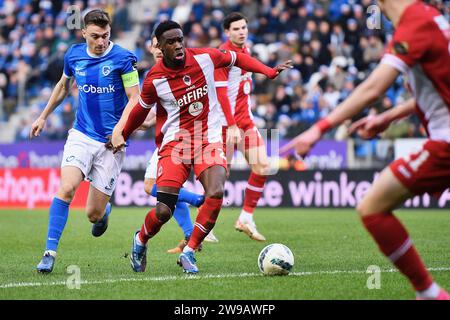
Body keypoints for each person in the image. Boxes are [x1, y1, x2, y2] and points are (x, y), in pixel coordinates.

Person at [281, 0, 450, 299]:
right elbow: (435, 89)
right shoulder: (430, 19)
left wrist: (318, 129)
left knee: (372, 207)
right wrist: (387, 116)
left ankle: (429, 293)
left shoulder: (416, 24)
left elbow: (373, 88)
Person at [111, 20, 292, 274]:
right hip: (176, 144)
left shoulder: (205, 57)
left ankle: (189, 252)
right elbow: (141, 111)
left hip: (208, 138)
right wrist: (123, 134)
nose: (178, 45)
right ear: (160, 47)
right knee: (163, 210)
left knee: (216, 192)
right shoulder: (154, 79)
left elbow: (237, 59)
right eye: (171, 42)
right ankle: (140, 239)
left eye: (180, 40)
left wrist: (268, 71)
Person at [30, 9, 140, 273]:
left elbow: (134, 98)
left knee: (93, 214)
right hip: (81, 134)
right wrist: (43, 116)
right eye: (95, 37)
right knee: (66, 189)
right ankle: (49, 253)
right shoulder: (74, 55)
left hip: (111, 143)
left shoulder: (124, 59)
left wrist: (120, 130)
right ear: (83, 33)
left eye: (105, 36)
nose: (101, 42)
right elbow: (63, 86)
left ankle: (104, 212)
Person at [141, 36, 217, 254]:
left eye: (160, 45)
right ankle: (188, 233)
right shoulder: (153, 74)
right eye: (155, 45)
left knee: (151, 186)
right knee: (167, 191)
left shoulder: (174, 70)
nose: (158, 49)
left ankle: (198, 201)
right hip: (169, 138)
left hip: (178, 139)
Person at [215, 12, 272, 242]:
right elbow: (220, 93)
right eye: (236, 29)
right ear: (227, 32)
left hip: (245, 122)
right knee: (217, 181)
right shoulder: (223, 55)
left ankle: (246, 217)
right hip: (225, 125)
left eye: (244, 27)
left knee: (263, 166)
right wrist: (230, 124)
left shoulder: (246, 51)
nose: (242, 31)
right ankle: (199, 227)